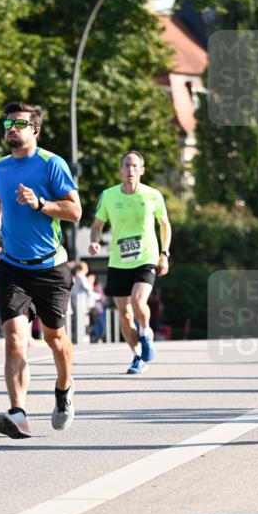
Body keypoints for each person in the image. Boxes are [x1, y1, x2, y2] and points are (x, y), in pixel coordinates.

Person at [0, 100, 81, 438]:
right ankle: (18, 412)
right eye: (8, 123)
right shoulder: (0, 167)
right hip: (11, 266)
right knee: (14, 339)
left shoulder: (51, 165)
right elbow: (0, 197)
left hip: (50, 268)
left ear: (35, 129)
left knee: (54, 337)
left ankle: (65, 389)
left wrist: (41, 204)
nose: (12, 128)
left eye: (20, 124)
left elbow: (75, 210)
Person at [88, 151, 172, 373]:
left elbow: (164, 224)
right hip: (119, 261)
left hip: (146, 258)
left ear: (142, 170)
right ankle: (137, 356)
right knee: (124, 316)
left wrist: (165, 253)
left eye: (135, 166)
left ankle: (145, 332)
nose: (131, 170)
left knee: (137, 302)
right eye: (127, 165)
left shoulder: (153, 195)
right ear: (120, 170)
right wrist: (95, 242)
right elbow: (97, 226)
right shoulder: (108, 196)